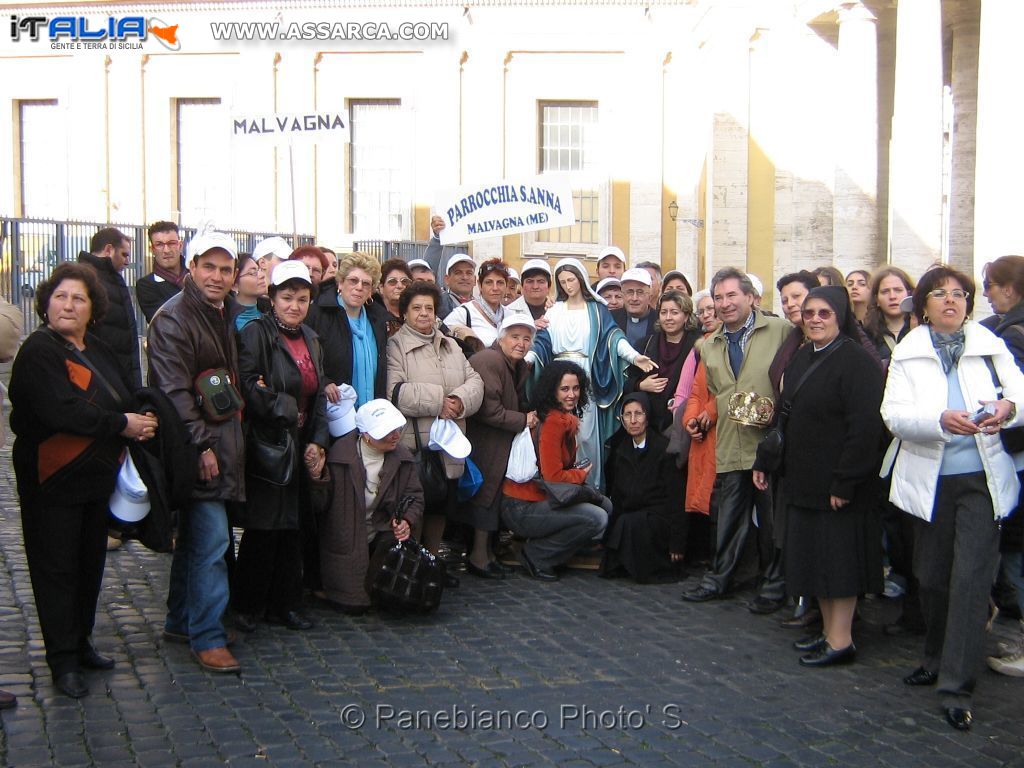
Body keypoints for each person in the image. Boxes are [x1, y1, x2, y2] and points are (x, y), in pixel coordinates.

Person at [881, 265, 1024, 731]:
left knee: (971, 580)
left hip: (982, 479)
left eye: (959, 294)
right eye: (940, 294)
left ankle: (956, 685)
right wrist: (940, 419)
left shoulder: (990, 345)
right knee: (934, 576)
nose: (951, 300)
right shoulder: (909, 349)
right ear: (923, 304)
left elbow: (1019, 393)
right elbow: (894, 415)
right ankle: (935, 657)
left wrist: (1009, 407)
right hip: (931, 481)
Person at [10, 262, 158, 697]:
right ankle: (62, 661)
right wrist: (121, 424)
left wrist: (143, 415)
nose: (68, 305)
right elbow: (61, 410)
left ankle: (81, 641)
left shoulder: (96, 346)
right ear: (46, 303)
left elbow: (124, 391)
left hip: (95, 480)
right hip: (53, 479)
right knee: (56, 569)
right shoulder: (39, 350)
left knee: (89, 566)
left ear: (93, 308)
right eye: (60, 296)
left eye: (78, 298)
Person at [754, 286, 884, 667]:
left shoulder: (857, 362)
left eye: (824, 313)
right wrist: (766, 461)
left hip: (837, 484)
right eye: (809, 313)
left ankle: (841, 641)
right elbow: (785, 413)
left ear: (839, 316)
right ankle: (828, 633)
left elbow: (864, 430)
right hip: (803, 480)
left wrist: (845, 482)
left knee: (838, 563)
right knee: (816, 560)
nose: (814, 319)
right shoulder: (802, 357)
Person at [147, 228, 244, 674]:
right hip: (199, 445)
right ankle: (207, 635)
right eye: (210, 266)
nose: (218, 276)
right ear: (192, 266)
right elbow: (174, 392)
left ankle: (180, 620)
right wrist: (200, 445)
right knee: (213, 541)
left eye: (226, 269)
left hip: (217, 442)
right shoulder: (174, 318)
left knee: (194, 540)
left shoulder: (216, 312)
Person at [681, 267, 792, 613]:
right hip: (730, 441)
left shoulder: (780, 330)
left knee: (772, 520)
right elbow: (717, 393)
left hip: (768, 442)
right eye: (719, 297)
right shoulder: (709, 345)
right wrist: (702, 417)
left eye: (732, 295)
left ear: (749, 297)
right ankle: (718, 578)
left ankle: (774, 587)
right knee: (728, 517)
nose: (725, 303)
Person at [233, 261, 328, 633]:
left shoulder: (311, 337)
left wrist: (318, 439)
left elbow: (319, 392)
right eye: (287, 297)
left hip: (301, 439)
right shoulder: (257, 334)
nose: (295, 305)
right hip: (269, 442)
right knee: (264, 527)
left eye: (302, 299)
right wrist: (287, 410)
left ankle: (286, 603)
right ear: (272, 298)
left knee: (294, 526)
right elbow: (248, 386)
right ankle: (248, 603)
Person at [529, 258, 656, 490]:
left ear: (581, 279)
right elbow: (542, 343)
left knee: (586, 434)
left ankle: (592, 487)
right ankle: (563, 487)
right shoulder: (555, 310)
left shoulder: (597, 310)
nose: (568, 285)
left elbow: (614, 338)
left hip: (587, 375)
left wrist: (634, 357)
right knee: (559, 432)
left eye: (571, 279)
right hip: (559, 376)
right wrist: (528, 359)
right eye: (562, 281)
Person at [386, 281, 484, 570]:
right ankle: (410, 565)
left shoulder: (451, 344)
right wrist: (439, 400)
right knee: (415, 508)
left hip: (448, 443)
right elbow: (395, 392)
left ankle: (432, 563)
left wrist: (459, 400)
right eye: (416, 308)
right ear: (405, 313)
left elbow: (475, 381)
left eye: (429, 307)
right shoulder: (396, 346)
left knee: (441, 507)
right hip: (417, 444)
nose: (424, 313)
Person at [308, 399, 423, 613]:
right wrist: (317, 478)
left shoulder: (403, 458)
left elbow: (414, 495)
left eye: (397, 429)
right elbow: (318, 507)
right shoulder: (338, 458)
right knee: (351, 604)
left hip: (382, 536)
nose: (395, 435)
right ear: (367, 436)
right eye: (387, 431)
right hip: (345, 541)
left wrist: (407, 520)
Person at [464, 315, 540, 578]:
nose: (521, 343)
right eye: (515, 337)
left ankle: (486, 553)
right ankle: (479, 556)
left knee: (492, 497)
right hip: (486, 441)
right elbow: (489, 410)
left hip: (499, 440)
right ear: (501, 337)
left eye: (526, 338)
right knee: (485, 497)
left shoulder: (513, 364)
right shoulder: (490, 361)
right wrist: (523, 420)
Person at [980, 255, 1024, 676]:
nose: (988, 294)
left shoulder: (1012, 337)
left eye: (990, 286)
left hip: (1017, 453)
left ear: (1009, 288)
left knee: (1014, 548)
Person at [602, 392, 684, 582]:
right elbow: (618, 496)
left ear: (647, 417)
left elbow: (676, 498)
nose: (633, 420)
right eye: (627, 415)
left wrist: (677, 543)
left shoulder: (663, 449)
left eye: (638, 414)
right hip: (631, 515)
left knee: (632, 523)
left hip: (658, 518)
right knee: (625, 521)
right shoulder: (620, 449)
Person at [309, 252, 387, 410]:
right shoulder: (318, 315)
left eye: (366, 284)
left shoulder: (378, 320)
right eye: (353, 281)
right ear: (340, 283)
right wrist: (324, 381)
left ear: (371, 291)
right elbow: (308, 360)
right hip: (333, 413)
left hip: (371, 416)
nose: (359, 287)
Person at [626, 290, 700, 434]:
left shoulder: (698, 345)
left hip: (684, 422)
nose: (668, 318)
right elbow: (627, 382)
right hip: (649, 425)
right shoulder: (645, 344)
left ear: (686, 316)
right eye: (663, 312)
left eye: (674, 312)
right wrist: (640, 385)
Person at [77, 227, 142, 388]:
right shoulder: (86, 280)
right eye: (124, 254)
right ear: (108, 250)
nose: (127, 261)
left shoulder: (110, 279)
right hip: (101, 381)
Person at [443, 258, 510, 349]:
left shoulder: (511, 315)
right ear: (479, 285)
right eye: (489, 282)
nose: (495, 288)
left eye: (500, 283)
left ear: (506, 286)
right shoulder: (464, 313)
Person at [863, 266, 916, 365]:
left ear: (909, 294)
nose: (892, 296)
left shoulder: (922, 331)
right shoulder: (866, 335)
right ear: (876, 299)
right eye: (885, 292)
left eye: (898, 290)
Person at [136, 221, 185, 323]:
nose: (166, 250)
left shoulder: (197, 276)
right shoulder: (146, 285)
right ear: (152, 249)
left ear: (180, 245)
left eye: (171, 243)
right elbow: (163, 323)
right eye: (159, 244)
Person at [612, 268, 656, 345]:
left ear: (650, 296)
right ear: (622, 295)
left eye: (640, 292)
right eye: (629, 292)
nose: (634, 298)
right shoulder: (611, 319)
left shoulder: (660, 321)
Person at [371, 258, 413, 337]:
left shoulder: (416, 312)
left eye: (404, 281)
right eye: (392, 282)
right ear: (381, 287)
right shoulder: (372, 317)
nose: (400, 286)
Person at [230, 253, 268, 332]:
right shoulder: (229, 324)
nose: (262, 275)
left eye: (259, 270)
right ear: (234, 285)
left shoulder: (269, 314)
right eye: (252, 273)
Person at [437, 253, 476, 318]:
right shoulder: (438, 304)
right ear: (447, 279)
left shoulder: (481, 305)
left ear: (475, 280)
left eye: (469, 273)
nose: (464, 277)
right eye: (458, 273)